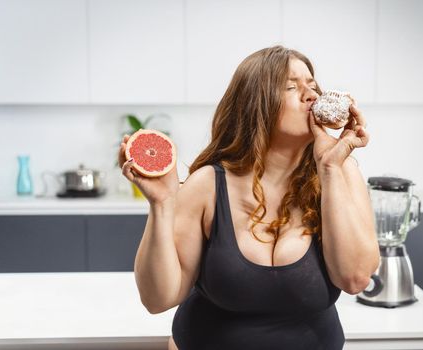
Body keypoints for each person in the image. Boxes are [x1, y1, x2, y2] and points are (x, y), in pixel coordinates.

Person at [118, 45, 380, 350]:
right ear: (256, 104)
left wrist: (330, 167)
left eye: (312, 86)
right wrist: (162, 204)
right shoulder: (208, 185)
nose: (311, 95)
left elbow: (355, 279)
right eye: (291, 87)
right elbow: (158, 299)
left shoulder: (340, 172)